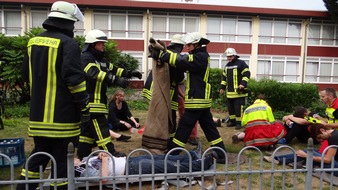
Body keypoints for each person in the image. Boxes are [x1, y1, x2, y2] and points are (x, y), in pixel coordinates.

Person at [17, 1, 88, 189]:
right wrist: (84, 105)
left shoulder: (32, 43)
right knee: (62, 160)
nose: (73, 27)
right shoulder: (68, 43)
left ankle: (24, 187)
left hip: (38, 117)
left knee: (39, 155)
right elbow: (75, 80)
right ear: (67, 23)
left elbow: (25, 76)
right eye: (73, 23)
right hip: (63, 119)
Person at [158, 32, 227, 163]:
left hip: (197, 100)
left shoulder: (200, 57)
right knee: (209, 128)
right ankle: (221, 153)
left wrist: (165, 56)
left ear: (196, 44)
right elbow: (182, 60)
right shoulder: (199, 55)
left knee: (184, 127)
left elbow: (182, 60)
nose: (187, 46)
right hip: (200, 100)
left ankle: (173, 153)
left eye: (189, 44)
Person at [77, 29, 142, 160]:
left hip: (98, 103)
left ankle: (83, 155)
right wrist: (115, 80)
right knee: (102, 130)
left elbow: (115, 69)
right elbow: (93, 73)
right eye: (101, 43)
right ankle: (111, 153)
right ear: (92, 44)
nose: (103, 46)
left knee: (87, 134)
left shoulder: (102, 61)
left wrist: (129, 73)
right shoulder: (85, 58)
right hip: (91, 103)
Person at [141, 34, 185, 153]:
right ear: (181, 47)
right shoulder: (177, 57)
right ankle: (166, 143)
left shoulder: (165, 53)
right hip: (166, 92)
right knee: (169, 119)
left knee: (154, 116)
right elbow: (180, 80)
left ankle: (153, 138)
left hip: (153, 88)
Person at [74, 143, 214, 177]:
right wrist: (104, 160)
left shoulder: (85, 160)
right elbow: (102, 179)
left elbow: (102, 154)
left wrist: (101, 155)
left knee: (163, 157)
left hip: (127, 161)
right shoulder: (81, 171)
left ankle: (192, 156)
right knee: (166, 165)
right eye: (71, 159)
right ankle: (202, 164)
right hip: (129, 170)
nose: (74, 157)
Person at [264, 123, 338, 177]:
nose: (321, 140)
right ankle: (305, 163)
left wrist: (307, 156)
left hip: (336, 168)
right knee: (312, 152)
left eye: (319, 137)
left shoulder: (334, 138)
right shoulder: (335, 134)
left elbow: (328, 160)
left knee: (307, 153)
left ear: (322, 130)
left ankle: (278, 159)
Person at [219, 48, 250, 130]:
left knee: (238, 108)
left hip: (239, 92)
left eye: (230, 56)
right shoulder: (227, 66)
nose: (229, 58)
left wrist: (243, 84)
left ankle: (238, 123)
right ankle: (232, 122)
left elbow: (247, 74)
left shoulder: (241, 63)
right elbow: (224, 78)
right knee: (231, 108)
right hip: (230, 93)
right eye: (228, 57)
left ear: (234, 55)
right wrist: (222, 88)